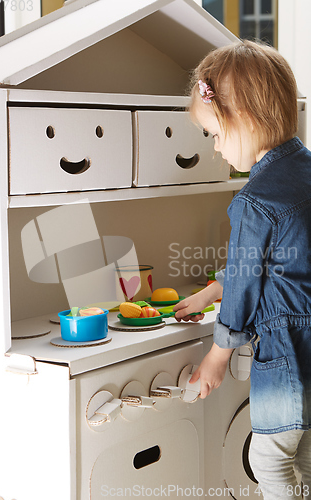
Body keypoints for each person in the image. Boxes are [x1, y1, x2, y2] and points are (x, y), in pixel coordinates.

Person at [173, 40, 311, 500]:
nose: (215, 148)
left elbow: (251, 281)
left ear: (245, 119)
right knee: (306, 458)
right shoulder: (304, 174)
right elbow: (279, 262)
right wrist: (212, 290)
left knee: (267, 461)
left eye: (214, 133)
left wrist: (218, 355)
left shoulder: (255, 200)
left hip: (287, 355)